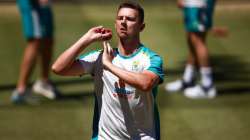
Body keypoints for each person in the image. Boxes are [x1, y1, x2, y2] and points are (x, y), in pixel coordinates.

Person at [52, 1, 164, 140]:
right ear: (115, 23)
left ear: (141, 27)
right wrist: (86, 39)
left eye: (130, 19)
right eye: (120, 18)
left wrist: (109, 65)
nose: (123, 22)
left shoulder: (150, 59)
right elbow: (58, 68)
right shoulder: (99, 56)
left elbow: (146, 83)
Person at [165, 0, 217, 99]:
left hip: (198, 3)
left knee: (197, 39)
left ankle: (207, 86)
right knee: (192, 37)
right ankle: (188, 79)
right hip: (195, 3)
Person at [11, 0, 58, 103]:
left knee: (48, 40)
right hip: (32, 5)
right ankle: (21, 90)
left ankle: (44, 82)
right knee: (35, 42)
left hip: (42, 7)